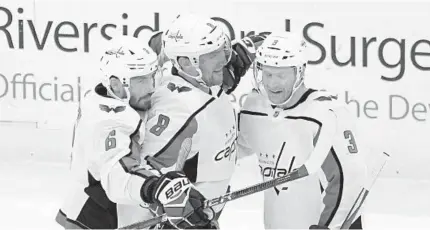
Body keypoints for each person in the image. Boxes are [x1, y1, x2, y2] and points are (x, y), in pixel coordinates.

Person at [55, 36, 211, 229]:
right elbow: (116, 172)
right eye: (141, 80)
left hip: (105, 209)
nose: (152, 87)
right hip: (95, 219)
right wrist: (157, 188)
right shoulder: (108, 122)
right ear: (117, 84)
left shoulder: (113, 91)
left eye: (152, 75)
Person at [137, 13, 266, 229]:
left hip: (209, 210)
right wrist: (184, 215)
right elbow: (148, 173)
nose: (224, 60)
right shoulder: (177, 110)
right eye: (212, 55)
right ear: (186, 63)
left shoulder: (202, 81)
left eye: (223, 50)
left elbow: (215, 91)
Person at [237, 31, 367, 229]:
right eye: (268, 74)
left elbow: (349, 179)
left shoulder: (325, 112)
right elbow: (235, 148)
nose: (272, 83)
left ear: (299, 71)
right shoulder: (255, 106)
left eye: (281, 75)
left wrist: (327, 226)